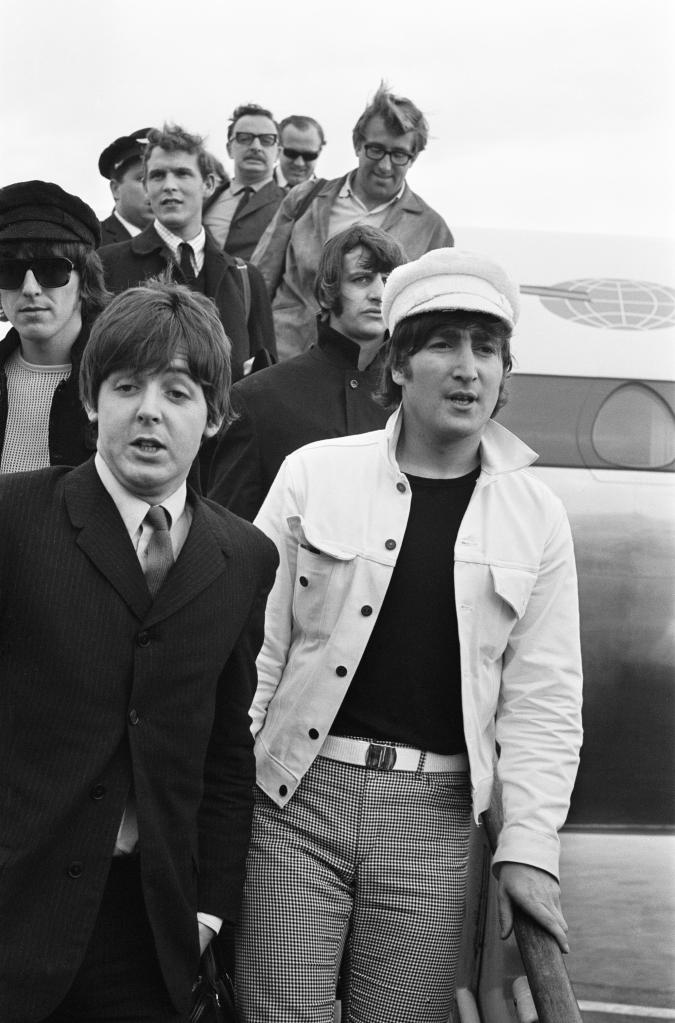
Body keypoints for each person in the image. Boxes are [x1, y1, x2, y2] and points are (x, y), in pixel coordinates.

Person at [235, 248, 583, 1022]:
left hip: (433, 815)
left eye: (485, 348)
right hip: (297, 794)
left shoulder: (535, 515)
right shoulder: (311, 475)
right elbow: (252, 652)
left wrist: (528, 846)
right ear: (397, 362)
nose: (467, 368)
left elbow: (543, 700)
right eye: (443, 344)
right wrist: (230, 792)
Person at [0, 279, 278, 1023]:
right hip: (17, 907)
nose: (149, 409)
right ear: (92, 400)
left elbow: (226, 748)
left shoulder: (243, 555)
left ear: (214, 415)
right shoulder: (16, 519)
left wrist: (210, 909)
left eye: (178, 391)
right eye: (127, 385)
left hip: (152, 925)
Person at [208, 224, 404, 519]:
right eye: (362, 279)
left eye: (389, 281)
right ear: (327, 294)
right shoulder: (258, 399)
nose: (379, 294)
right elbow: (227, 532)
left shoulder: (412, 400)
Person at [251, 82, 454, 360]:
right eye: (376, 150)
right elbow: (258, 280)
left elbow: (432, 322)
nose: (384, 165)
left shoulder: (433, 230)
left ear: (413, 158)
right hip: (283, 359)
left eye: (398, 154)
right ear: (357, 144)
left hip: (369, 379)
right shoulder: (305, 198)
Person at [98, 123, 276, 381]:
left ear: (208, 184)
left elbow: (265, 383)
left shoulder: (246, 279)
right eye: (158, 175)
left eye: (182, 173)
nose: (169, 185)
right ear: (147, 187)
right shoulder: (107, 266)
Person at [0, 180, 109, 473]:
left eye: (52, 270)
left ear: (84, 280)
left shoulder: (123, 381)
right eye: (9, 271)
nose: (30, 288)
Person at [202, 104, 285, 259]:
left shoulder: (290, 205)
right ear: (229, 148)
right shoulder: (204, 200)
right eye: (245, 138)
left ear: (278, 153)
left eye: (267, 140)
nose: (256, 147)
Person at [98, 128, 154, 245]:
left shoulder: (184, 245)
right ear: (116, 189)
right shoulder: (93, 245)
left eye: (159, 178)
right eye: (142, 179)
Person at [276, 114, 325, 191]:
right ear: (277, 148)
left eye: (308, 156)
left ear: (319, 152)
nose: (299, 163)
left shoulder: (332, 198)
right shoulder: (253, 187)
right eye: (292, 154)